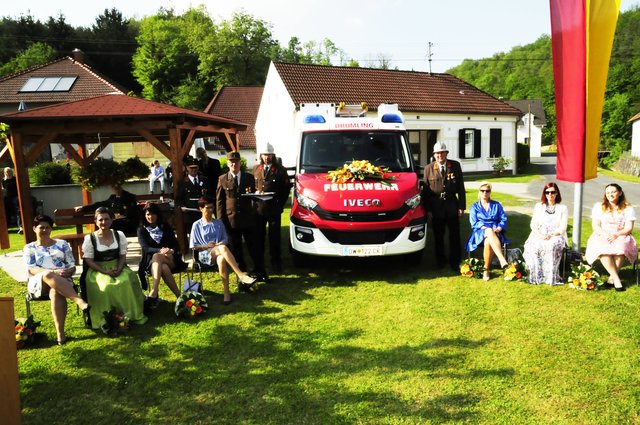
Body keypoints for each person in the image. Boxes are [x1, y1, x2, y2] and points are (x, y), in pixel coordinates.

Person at [24, 215, 91, 345]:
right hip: (39, 282)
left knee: (55, 291)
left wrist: (68, 272)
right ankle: (79, 300)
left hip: (63, 280)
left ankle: (60, 334)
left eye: (47, 227)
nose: (44, 230)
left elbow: (71, 265)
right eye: (41, 227)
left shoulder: (62, 244)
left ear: (51, 229)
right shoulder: (30, 247)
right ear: (34, 229)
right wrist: (53, 272)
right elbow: (31, 269)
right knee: (48, 274)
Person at [81, 207, 147, 329]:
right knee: (106, 286)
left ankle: (128, 316)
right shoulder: (90, 238)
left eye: (107, 219)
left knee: (125, 281)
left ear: (112, 220)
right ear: (95, 221)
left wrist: (119, 268)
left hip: (118, 266)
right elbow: (89, 261)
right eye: (100, 220)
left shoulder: (119, 235)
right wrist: (105, 271)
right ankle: (108, 317)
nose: (103, 222)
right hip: (98, 269)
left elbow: (122, 256)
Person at [190, 198, 258, 303]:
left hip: (219, 252)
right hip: (204, 254)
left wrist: (221, 243)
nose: (211, 210)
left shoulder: (219, 223)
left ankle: (226, 293)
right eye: (208, 208)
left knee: (221, 258)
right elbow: (194, 246)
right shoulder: (196, 225)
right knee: (222, 249)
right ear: (201, 209)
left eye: (212, 207)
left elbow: (225, 239)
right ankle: (241, 275)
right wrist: (206, 246)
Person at [217, 151, 266, 281]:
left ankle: (261, 272)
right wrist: (221, 222)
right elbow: (220, 202)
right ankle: (242, 275)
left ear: (240, 163)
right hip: (231, 219)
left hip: (248, 218)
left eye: (236, 161)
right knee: (237, 249)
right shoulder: (222, 179)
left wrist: (258, 197)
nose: (234, 164)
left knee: (254, 247)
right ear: (228, 164)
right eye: (231, 162)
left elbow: (255, 197)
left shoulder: (248, 177)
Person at [423, 141, 466, 271]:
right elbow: (426, 193)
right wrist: (428, 210)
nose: (440, 155)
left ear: (446, 153)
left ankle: (455, 260)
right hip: (436, 208)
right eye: (437, 153)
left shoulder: (455, 165)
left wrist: (462, 206)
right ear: (434, 155)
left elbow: (461, 188)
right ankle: (440, 261)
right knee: (438, 236)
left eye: (442, 152)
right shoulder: (428, 168)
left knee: (454, 235)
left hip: (452, 206)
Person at [585, 183, 637, 291]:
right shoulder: (599, 206)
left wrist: (616, 234)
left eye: (613, 192)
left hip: (621, 233)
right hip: (603, 233)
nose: (610, 195)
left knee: (621, 248)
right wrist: (605, 234)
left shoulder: (627, 208)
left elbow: (629, 228)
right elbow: (596, 225)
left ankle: (611, 278)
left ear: (620, 193)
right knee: (602, 249)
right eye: (608, 192)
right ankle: (616, 280)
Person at [137, 202, 186, 307]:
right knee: (162, 266)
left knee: (158, 257)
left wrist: (170, 251)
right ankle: (180, 297)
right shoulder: (141, 230)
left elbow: (176, 246)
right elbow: (145, 248)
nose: (150, 217)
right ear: (144, 215)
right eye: (148, 214)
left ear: (157, 215)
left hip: (171, 259)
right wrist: (160, 250)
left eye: (153, 214)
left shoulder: (165, 227)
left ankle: (154, 291)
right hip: (152, 263)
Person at [252, 142, 291, 274]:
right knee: (259, 238)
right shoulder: (256, 169)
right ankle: (260, 263)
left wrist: (280, 204)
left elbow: (286, 189)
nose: (266, 157)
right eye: (264, 155)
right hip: (259, 210)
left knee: (275, 238)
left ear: (273, 156)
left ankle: (276, 263)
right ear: (261, 156)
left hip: (274, 209)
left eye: (269, 155)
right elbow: (253, 187)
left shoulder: (280, 170)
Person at [522, 183, 568, 285]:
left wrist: (552, 235)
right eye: (547, 192)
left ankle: (550, 277)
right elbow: (533, 224)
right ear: (544, 194)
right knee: (534, 246)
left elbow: (563, 227)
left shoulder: (563, 208)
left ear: (557, 193)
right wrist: (540, 235)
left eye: (552, 192)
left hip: (556, 235)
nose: (550, 194)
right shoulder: (539, 206)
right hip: (540, 233)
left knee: (551, 245)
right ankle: (536, 276)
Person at [465, 182, 509, 280]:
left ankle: (486, 270)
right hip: (479, 232)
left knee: (488, 241)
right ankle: (502, 259)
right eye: (482, 191)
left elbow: (503, 219)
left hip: (495, 232)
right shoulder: (474, 207)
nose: (485, 193)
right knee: (489, 230)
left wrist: (498, 228)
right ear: (479, 192)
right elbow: (474, 223)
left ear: (490, 192)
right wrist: (485, 228)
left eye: (487, 191)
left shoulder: (497, 205)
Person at [75, 184, 139, 235]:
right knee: (105, 224)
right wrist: (83, 208)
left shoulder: (129, 197)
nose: (116, 189)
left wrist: (122, 215)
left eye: (118, 187)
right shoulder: (112, 198)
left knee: (108, 225)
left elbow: (133, 212)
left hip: (127, 224)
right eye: (114, 187)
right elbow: (99, 204)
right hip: (115, 224)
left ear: (121, 187)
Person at [176, 156, 209, 238]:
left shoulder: (204, 180)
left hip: (203, 214)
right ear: (187, 168)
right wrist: (182, 206)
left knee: (206, 236)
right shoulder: (183, 182)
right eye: (191, 168)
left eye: (195, 167)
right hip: (190, 215)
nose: (194, 170)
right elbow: (178, 199)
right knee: (194, 238)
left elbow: (210, 195)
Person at [3, 167, 21, 232]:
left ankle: (20, 227)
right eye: (7, 172)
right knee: (5, 212)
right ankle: (6, 228)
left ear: (12, 172)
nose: (8, 173)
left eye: (9, 171)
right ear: (5, 173)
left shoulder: (15, 179)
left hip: (15, 197)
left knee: (18, 211)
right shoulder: (3, 181)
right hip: (7, 198)